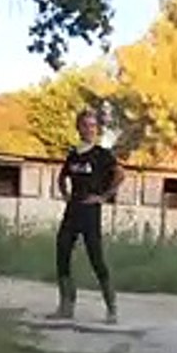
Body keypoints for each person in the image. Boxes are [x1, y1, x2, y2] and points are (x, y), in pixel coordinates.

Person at [52, 108, 124, 323]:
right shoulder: (73, 154)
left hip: (90, 211)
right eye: (86, 125)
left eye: (93, 126)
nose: (90, 129)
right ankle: (66, 306)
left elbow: (120, 175)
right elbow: (61, 177)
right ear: (78, 127)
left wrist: (103, 197)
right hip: (73, 209)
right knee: (62, 251)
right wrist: (65, 195)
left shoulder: (102, 154)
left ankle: (112, 309)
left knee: (96, 258)